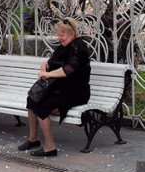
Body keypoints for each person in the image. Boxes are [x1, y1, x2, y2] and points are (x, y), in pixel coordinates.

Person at [18, 17, 91, 157]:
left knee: (41, 107)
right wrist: (45, 64)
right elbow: (53, 62)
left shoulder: (79, 47)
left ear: (72, 33)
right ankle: (32, 139)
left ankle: (50, 147)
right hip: (61, 88)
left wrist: (48, 74)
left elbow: (68, 69)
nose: (59, 38)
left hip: (76, 91)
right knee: (32, 100)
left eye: (62, 35)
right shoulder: (63, 47)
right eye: (58, 34)